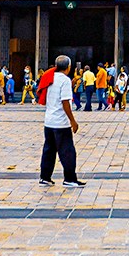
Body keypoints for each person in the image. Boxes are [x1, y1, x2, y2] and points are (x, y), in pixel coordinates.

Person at [38, 55, 85, 187]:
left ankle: (45, 177)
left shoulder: (50, 77)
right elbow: (65, 102)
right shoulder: (64, 80)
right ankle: (69, 179)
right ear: (68, 67)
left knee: (49, 150)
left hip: (49, 121)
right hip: (60, 123)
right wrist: (73, 121)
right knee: (67, 151)